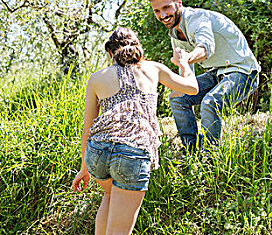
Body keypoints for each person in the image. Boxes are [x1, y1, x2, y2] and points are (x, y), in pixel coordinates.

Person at [71, 27, 198, 235]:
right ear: (137, 48)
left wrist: (84, 167)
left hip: (98, 153)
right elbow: (192, 88)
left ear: (110, 53)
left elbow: (88, 128)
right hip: (132, 153)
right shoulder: (154, 68)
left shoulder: (96, 78)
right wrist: (184, 64)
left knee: (110, 196)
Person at [148, 0, 260, 152]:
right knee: (177, 98)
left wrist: (186, 58)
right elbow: (187, 76)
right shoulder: (175, 33)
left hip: (243, 72)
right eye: (157, 11)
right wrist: (180, 86)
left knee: (210, 102)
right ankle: (192, 151)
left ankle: (210, 156)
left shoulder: (196, 19)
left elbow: (206, 47)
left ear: (178, 3)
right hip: (217, 74)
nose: (163, 15)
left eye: (166, 7)